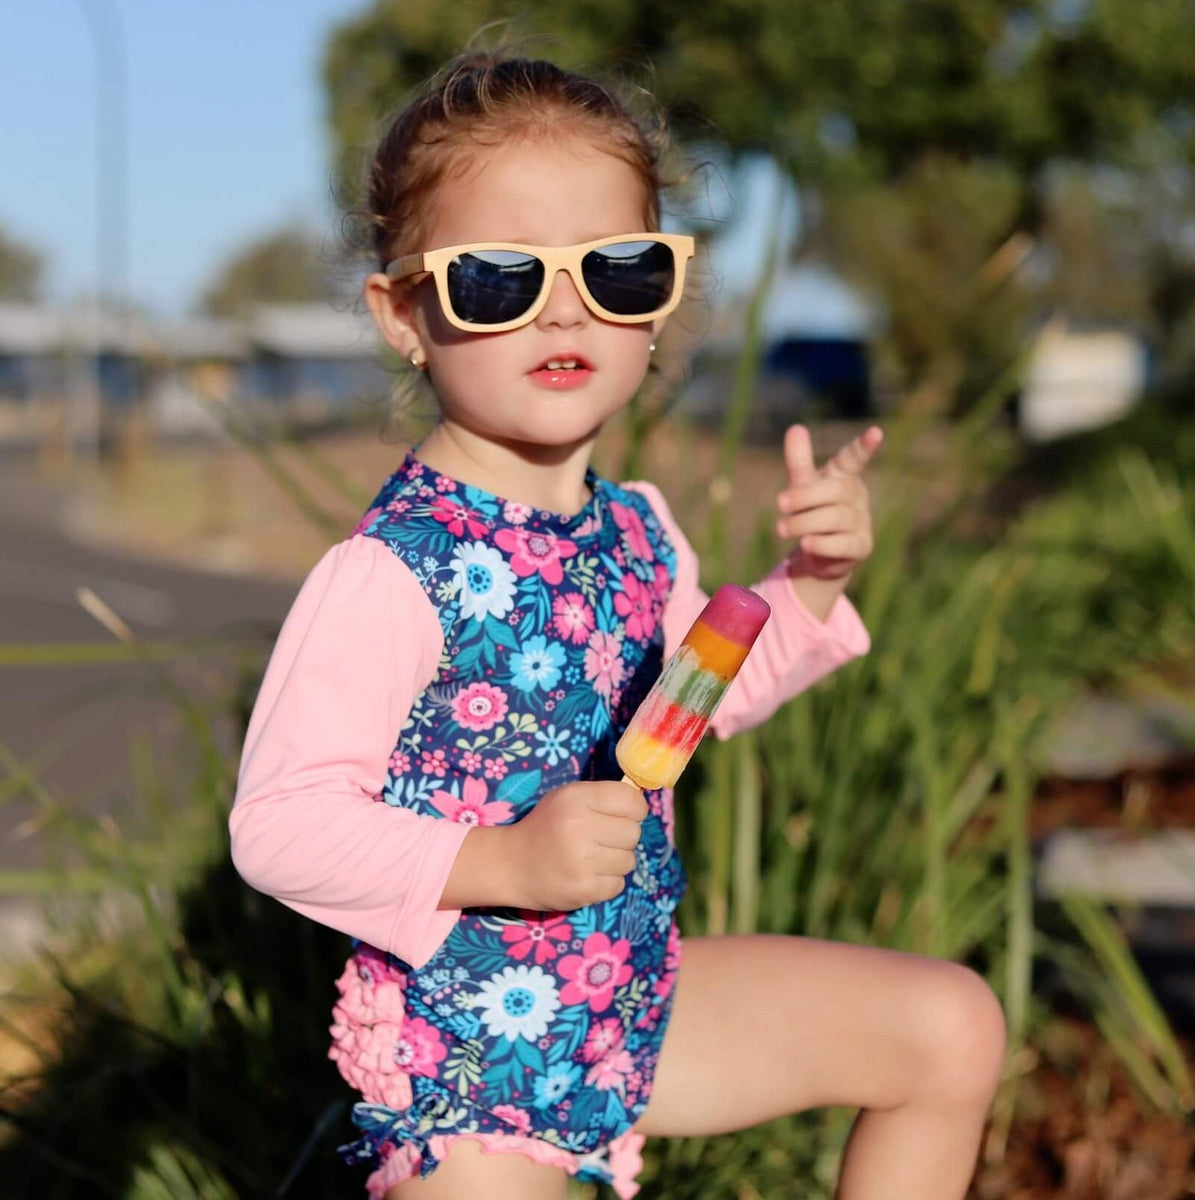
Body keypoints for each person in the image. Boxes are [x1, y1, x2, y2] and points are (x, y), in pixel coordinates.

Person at [229, 49, 1006, 1200]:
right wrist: (500, 859)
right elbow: (279, 826)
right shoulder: (393, 571)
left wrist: (815, 582)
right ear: (403, 313)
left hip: (628, 1001)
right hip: (470, 1068)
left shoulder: (637, 532)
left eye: (617, 270)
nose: (564, 307)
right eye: (498, 278)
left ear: (662, 297)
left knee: (947, 1028)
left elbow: (706, 699)